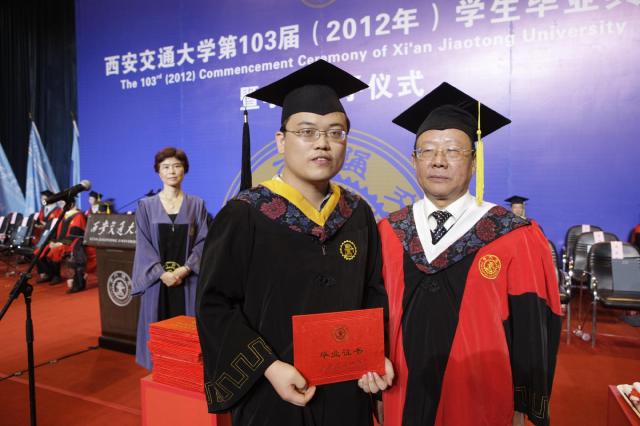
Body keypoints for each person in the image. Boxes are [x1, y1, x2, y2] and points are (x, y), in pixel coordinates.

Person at [195, 60, 391, 426]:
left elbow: (373, 292)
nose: (322, 143)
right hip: (273, 396)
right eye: (307, 131)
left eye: (336, 132)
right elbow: (215, 304)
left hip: (347, 391)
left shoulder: (356, 213)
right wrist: (268, 368)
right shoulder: (245, 214)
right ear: (281, 141)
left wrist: (374, 354)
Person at [361, 82, 562, 425]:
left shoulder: (513, 234)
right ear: (413, 161)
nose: (438, 161)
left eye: (453, 150)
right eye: (427, 151)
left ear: (474, 162)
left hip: (482, 399)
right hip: (401, 393)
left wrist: (522, 404)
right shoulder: (388, 232)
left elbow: (533, 324)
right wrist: (374, 382)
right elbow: (371, 310)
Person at [131, 147, 209, 369]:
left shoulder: (196, 205)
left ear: (185, 170)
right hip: (158, 282)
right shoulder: (146, 206)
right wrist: (161, 273)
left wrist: (185, 269)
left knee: (188, 336)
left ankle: (187, 373)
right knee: (159, 333)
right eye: (166, 167)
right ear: (158, 171)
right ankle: (162, 372)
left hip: (188, 280)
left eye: (177, 166)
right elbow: (143, 244)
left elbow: (204, 241)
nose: (172, 171)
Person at [36, 199, 86, 291]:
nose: (62, 206)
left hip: (72, 243)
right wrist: (52, 241)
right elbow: (55, 231)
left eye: (64, 203)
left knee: (55, 251)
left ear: (71, 204)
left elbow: (76, 233)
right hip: (60, 242)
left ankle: (59, 276)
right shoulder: (63, 215)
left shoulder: (78, 215)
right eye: (61, 203)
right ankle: (50, 274)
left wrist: (60, 243)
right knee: (40, 250)